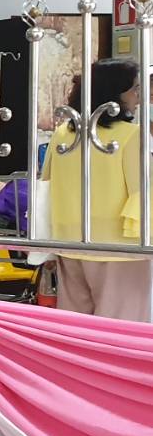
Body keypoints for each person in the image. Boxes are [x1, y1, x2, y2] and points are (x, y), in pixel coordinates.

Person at [44, 59, 149, 321]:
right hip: (120, 246)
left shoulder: (62, 134)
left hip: (69, 240)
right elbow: (142, 192)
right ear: (115, 93)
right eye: (135, 89)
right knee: (120, 324)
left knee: (75, 324)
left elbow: (46, 184)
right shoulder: (131, 135)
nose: (139, 96)